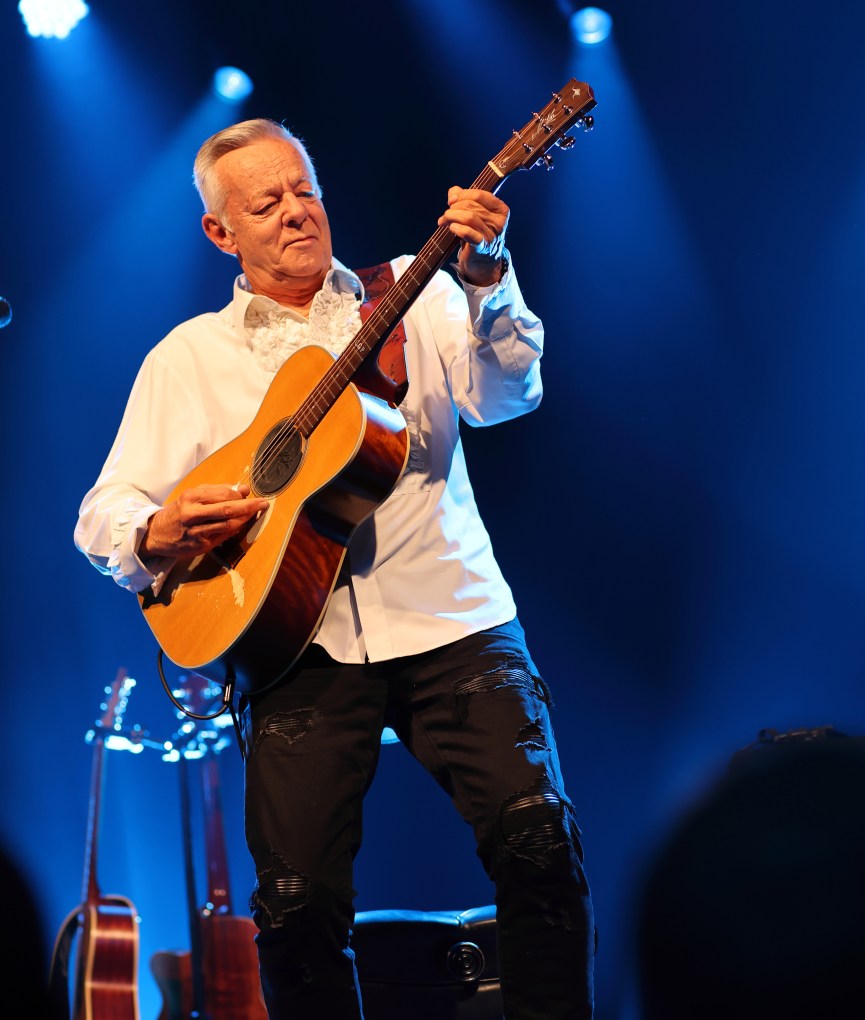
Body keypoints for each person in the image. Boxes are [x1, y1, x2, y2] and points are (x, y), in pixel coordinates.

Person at [74, 117, 596, 1019]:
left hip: (454, 617)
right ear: (220, 232)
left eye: (303, 189)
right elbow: (102, 514)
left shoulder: (415, 293)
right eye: (265, 202)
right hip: (295, 647)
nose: (294, 212)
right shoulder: (189, 358)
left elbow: (510, 395)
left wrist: (485, 278)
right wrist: (159, 530)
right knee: (294, 911)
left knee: (540, 846)